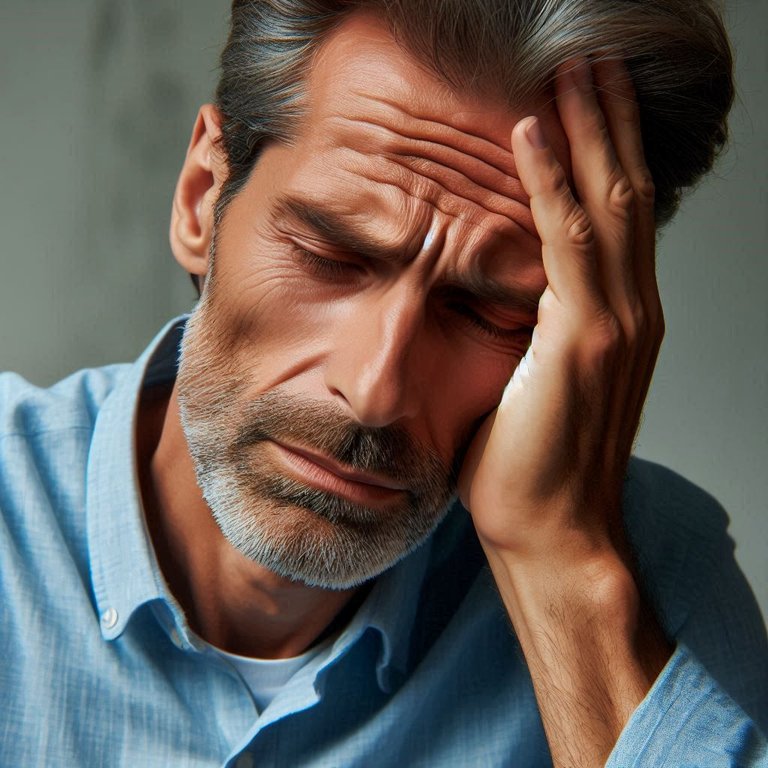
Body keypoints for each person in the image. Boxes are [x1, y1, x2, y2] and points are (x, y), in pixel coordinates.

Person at [1, 0, 766, 765]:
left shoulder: (652, 583)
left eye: (487, 312)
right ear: (203, 197)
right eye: (329, 256)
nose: (375, 389)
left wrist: (562, 573)